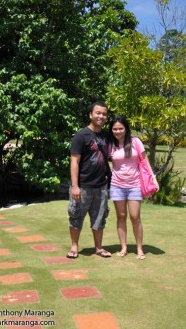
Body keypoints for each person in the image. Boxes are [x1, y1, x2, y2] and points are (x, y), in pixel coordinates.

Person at [67, 101, 112, 259]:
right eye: (98, 113)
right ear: (90, 115)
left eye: (104, 114)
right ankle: (74, 247)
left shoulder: (107, 136)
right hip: (82, 186)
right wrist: (74, 186)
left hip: (101, 186)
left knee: (100, 217)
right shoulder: (81, 135)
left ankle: (99, 248)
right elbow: (74, 162)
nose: (101, 116)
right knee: (76, 216)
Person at [108, 116, 158, 260]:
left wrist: (153, 178)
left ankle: (139, 248)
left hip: (135, 184)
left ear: (126, 129)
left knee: (135, 217)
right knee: (121, 216)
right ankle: (123, 247)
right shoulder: (111, 144)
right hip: (117, 185)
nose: (117, 131)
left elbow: (145, 160)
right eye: (115, 129)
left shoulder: (135, 142)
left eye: (120, 128)